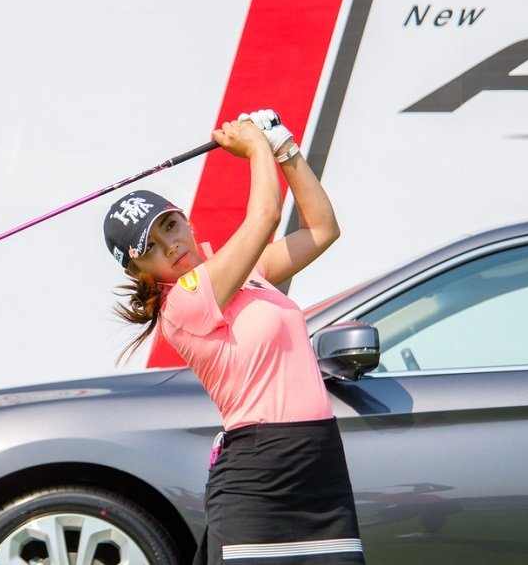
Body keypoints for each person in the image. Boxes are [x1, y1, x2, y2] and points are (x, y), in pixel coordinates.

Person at [102, 110, 365, 565]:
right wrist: (253, 146)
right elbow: (265, 215)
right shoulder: (183, 302)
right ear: (137, 270)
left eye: (169, 226)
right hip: (261, 476)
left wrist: (283, 147)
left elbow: (322, 229)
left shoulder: (249, 275)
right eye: (150, 249)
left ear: (184, 220)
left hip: (319, 461)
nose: (171, 246)